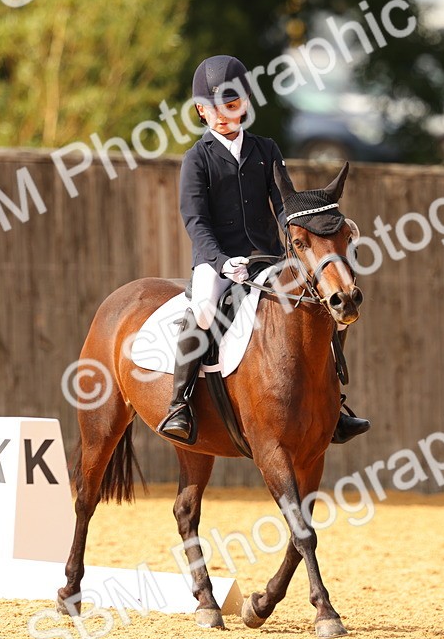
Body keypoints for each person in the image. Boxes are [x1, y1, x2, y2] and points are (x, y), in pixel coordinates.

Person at [155, 54, 369, 445]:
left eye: (232, 107)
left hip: (267, 259)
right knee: (203, 309)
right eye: (213, 109)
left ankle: (333, 407)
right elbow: (195, 221)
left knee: (330, 312)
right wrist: (220, 263)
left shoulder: (266, 149)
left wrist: (315, 228)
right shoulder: (197, 159)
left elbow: (284, 206)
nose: (223, 116)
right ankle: (179, 404)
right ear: (201, 111)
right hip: (217, 261)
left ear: (246, 106)